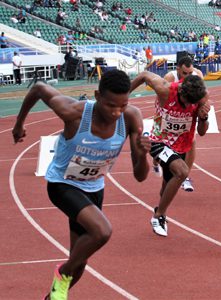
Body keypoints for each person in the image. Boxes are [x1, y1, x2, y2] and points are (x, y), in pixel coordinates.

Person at [12, 69, 151, 300]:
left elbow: (140, 176)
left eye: (122, 105)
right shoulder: (73, 112)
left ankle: (53, 294)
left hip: (94, 188)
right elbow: (38, 88)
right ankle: (62, 272)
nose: (117, 113)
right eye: (110, 106)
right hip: (63, 184)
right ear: (97, 96)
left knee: (81, 261)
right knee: (102, 231)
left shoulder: (131, 118)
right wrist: (19, 125)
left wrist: (143, 154)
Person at [130, 71, 210, 237]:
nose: (189, 107)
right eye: (187, 103)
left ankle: (160, 210)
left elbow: (202, 132)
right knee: (182, 171)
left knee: (166, 187)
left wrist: (203, 118)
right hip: (158, 141)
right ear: (180, 92)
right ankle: (159, 216)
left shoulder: (200, 98)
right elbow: (144, 75)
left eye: (192, 105)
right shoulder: (165, 89)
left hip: (181, 146)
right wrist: (124, 96)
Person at [160, 56, 204, 192]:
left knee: (192, 142)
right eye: (185, 73)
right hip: (167, 114)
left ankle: (185, 176)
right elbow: (161, 99)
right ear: (178, 69)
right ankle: (158, 162)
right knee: (163, 146)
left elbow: (201, 94)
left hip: (187, 115)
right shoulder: (169, 77)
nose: (188, 76)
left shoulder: (198, 75)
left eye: (190, 73)